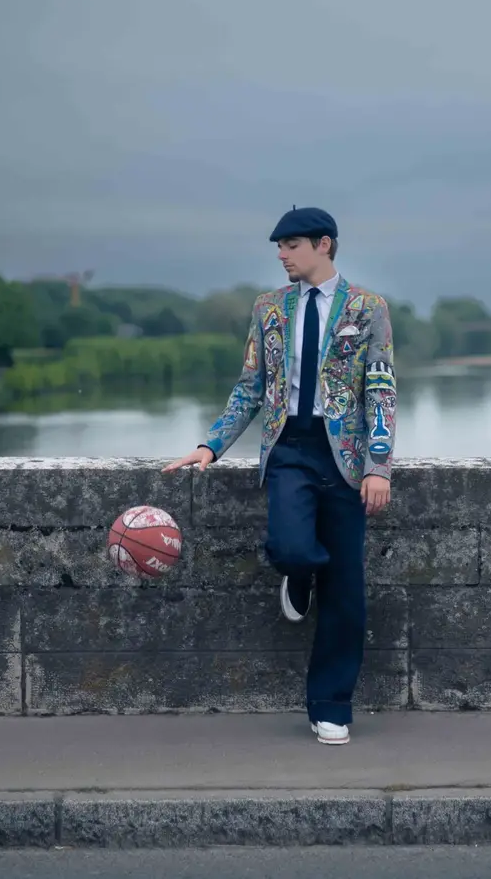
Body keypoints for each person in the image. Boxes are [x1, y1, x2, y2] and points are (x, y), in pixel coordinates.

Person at [162, 206, 396, 746]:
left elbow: (380, 386)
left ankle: (332, 706)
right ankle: (298, 572)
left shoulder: (368, 309)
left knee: (348, 590)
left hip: (346, 457)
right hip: (289, 447)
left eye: (291, 244)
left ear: (324, 245)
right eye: (279, 246)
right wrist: (210, 445)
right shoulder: (269, 309)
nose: (281, 254)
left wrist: (378, 465)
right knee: (292, 546)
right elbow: (250, 387)